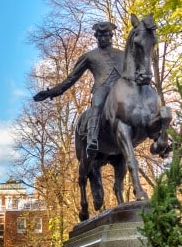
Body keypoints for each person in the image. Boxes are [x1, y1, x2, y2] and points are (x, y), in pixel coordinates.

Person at [33, 21, 125, 156]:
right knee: (98, 104)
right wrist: (50, 92)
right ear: (96, 37)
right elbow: (71, 78)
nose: (103, 38)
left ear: (111, 36)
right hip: (103, 88)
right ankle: (92, 138)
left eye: (106, 35)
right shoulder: (89, 56)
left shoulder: (123, 54)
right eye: (100, 36)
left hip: (122, 89)